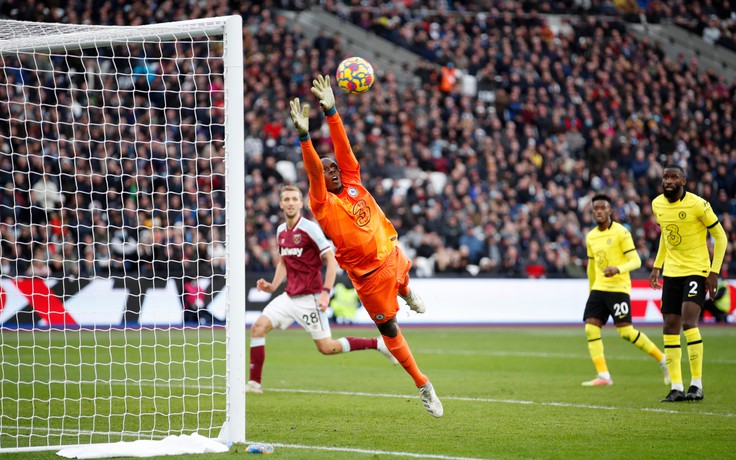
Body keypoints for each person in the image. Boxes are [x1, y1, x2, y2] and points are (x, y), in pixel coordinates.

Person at [288, 75, 443, 417]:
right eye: (329, 170)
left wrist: (332, 111)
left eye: (335, 167)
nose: (335, 170)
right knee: (389, 329)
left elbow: (343, 148)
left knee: (403, 279)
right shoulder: (322, 204)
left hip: (391, 255)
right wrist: (304, 137)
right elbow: (314, 171)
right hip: (368, 277)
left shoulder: (353, 180)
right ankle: (423, 384)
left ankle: (406, 290)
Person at [246, 185, 397, 394]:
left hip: (311, 299)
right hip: (289, 296)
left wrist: (326, 293)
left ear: (301, 203)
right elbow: (283, 262)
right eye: (286, 199)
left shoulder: (310, 229)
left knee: (327, 347)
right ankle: (254, 384)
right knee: (258, 328)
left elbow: (331, 260)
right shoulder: (281, 231)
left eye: (294, 199)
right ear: (280, 204)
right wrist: (272, 286)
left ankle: (378, 343)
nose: (290, 203)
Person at [649, 165, 728, 402]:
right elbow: (665, 235)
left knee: (688, 322)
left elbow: (721, 236)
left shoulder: (698, 204)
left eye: (673, 177)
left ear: (683, 180)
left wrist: (713, 272)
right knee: (669, 326)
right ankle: (676, 387)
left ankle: (696, 385)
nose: (668, 181)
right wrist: (657, 265)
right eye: (666, 177)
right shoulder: (657, 204)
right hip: (672, 272)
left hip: (696, 270)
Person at [581, 194, 669, 386]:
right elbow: (591, 266)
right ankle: (603, 375)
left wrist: (617, 269)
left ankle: (663, 359)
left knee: (626, 332)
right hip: (598, 289)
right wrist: (591, 289)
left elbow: (636, 261)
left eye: (603, 207)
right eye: (595, 208)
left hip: (618, 288)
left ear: (610, 210)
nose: (599, 211)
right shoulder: (591, 236)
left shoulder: (621, 233)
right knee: (590, 328)